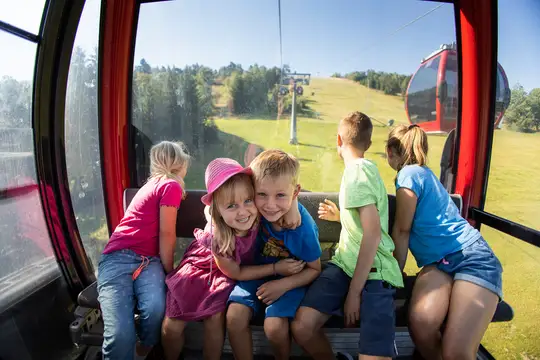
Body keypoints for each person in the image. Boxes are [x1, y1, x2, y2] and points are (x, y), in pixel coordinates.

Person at [161, 158, 305, 360]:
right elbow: (235, 272)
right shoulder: (219, 237)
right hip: (204, 267)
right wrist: (276, 268)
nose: (243, 211)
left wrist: (293, 205)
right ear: (217, 211)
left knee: (214, 316)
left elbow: (281, 178)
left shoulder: (259, 212)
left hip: (227, 273)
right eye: (231, 206)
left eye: (248, 200)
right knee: (172, 325)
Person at [292, 111, 404, 360]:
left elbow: (373, 235)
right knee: (302, 326)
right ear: (369, 144)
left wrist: (354, 292)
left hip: (374, 273)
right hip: (345, 265)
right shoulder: (365, 170)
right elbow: (365, 223)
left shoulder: (357, 174)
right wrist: (342, 216)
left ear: (339, 141)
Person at [386, 124, 503, 360]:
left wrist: (393, 277)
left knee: (457, 352)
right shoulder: (424, 173)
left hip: (472, 257)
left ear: (391, 151)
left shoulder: (407, 175)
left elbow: (402, 229)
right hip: (440, 262)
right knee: (421, 323)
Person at [97, 141, 190, 360]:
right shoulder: (170, 185)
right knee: (120, 334)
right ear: (179, 163)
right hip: (119, 258)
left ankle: (144, 348)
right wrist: (170, 271)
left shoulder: (153, 184)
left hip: (148, 260)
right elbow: (167, 233)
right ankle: (142, 347)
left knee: (156, 309)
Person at [227, 149, 322, 360]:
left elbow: (315, 269)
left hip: (292, 280)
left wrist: (283, 285)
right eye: (262, 194)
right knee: (234, 317)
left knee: (274, 327)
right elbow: (218, 204)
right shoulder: (252, 212)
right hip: (256, 274)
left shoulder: (302, 228)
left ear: (295, 193)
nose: (270, 205)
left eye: (280, 195)